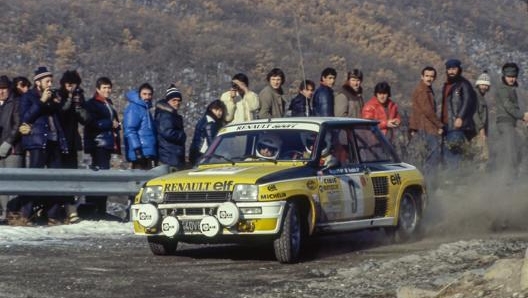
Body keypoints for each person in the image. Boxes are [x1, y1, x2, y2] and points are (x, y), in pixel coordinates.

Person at [18, 66, 69, 225]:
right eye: (47, 81)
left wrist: (57, 104)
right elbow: (26, 117)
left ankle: (52, 214)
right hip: (37, 143)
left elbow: (61, 116)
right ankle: (25, 214)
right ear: (37, 82)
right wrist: (41, 101)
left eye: (51, 81)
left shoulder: (54, 96)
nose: (49, 84)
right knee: (34, 179)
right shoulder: (29, 97)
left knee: (57, 179)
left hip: (54, 142)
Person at [82, 76, 122, 220]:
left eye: (108, 87)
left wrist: (116, 126)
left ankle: (101, 210)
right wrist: (109, 124)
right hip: (98, 145)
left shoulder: (108, 103)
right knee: (98, 178)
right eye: (104, 88)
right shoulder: (92, 104)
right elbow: (91, 123)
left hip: (107, 144)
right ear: (98, 89)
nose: (107, 90)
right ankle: (95, 210)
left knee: (104, 178)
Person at [57, 70, 89, 224]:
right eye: (68, 84)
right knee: (57, 176)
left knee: (70, 176)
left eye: (73, 84)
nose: (70, 87)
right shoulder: (58, 95)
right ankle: (56, 209)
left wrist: (78, 106)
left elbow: (85, 119)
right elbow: (60, 112)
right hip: (57, 142)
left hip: (72, 142)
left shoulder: (79, 97)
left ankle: (71, 210)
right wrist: (69, 99)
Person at [440, 59, 477, 170]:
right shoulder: (447, 85)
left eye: (454, 69)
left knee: (454, 154)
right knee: (447, 154)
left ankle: (455, 179)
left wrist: (460, 116)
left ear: (459, 70)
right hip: (446, 125)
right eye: (449, 69)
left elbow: (468, 101)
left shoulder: (464, 84)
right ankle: (451, 179)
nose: (451, 71)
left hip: (457, 125)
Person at [494, 62, 528, 179]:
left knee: (519, 147)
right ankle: (509, 179)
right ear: (504, 76)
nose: (511, 79)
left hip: (510, 123)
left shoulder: (512, 88)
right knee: (511, 151)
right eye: (509, 76)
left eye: (513, 76)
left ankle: (512, 175)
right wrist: (522, 116)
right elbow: (508, 106)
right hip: (505, 122)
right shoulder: (503, 88)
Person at [408, 66, 444, 175]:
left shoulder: (427, 89)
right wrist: (440, 125)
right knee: (433, 155)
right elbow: (428, 111)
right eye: (427, 76)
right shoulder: (422, 90)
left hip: (425, 127)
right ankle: (429, 182)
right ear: (422, 76)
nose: (429, 78)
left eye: (432, 76)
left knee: (427, 156)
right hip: (425, 128)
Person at [0, 75, 24, 222]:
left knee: (13, 183)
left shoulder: (16, 103)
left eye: (4, 89)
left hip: (13, 149)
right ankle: (4, 214)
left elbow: (18, 124)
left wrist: (8, 143)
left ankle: (14, 214)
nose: (1, 92)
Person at [123, 83, 157, 170]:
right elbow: (130, 130)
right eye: (144, 94)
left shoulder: (145, 109)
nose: (147, 97)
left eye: (149, 94)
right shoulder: (134, 108)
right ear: (139, 94)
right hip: (140, 152)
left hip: (147, 152)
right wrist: (137, 151)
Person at [155, 85, 186, 170]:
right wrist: (182, 136)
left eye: (179, 100)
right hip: (169, 156)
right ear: (168, 101)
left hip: (171, 155)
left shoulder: (171, 114)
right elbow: (167, 133)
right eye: (174, 100)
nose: (177, 103)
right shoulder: (166, 115)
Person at [189, 99, 226, 165]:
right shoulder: (210, 122)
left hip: (196, 154)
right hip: (203, 156)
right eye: (216, 110)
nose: (219, 112)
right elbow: (212, 143)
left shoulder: (204, 119)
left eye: (220, 110)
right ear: (211, 109)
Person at [472, 71, 491, 167]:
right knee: (483, 156)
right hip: (477, 131)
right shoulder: (476, 96)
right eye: (482, 84)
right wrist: (481, 129)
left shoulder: (481, 97)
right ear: (478, 84)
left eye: (486, 85)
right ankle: (480, 177)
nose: (484, 87)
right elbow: (474, 113)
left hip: (479, 131)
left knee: (480, 155)